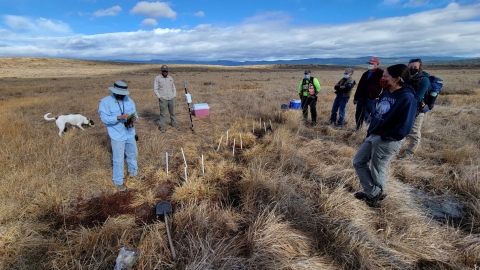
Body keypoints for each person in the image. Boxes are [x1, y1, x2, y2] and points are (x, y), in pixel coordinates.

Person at [352, 64, 418, 208]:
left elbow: (404, 127)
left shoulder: (407, 98)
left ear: (396, 79)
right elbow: (377, 115)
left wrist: (384, 136)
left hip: (387, 140)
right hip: (374, 135)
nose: (382, 78)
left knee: (377, 169)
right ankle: (374, 192)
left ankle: (375, 199)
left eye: (385, 76)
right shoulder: (386, 92)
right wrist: (369, 133)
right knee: (358, 161)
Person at [98, 80, 144, 193]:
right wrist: (118, 117)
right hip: (116, 134)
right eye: (120, 94)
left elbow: (136, 115)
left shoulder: (130, 101)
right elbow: (104, 118)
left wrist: (134, 118)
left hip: (130, 133)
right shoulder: (105, 102)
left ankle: (133, 172)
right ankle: (118, 182)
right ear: (115, 91)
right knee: (118, 159)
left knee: (132, 154)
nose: (123, 96)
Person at [398, 58, 431, 159]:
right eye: (410, 67)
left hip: (417, 109)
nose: (412, 68)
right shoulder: (407, 78)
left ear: (419, 68)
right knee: (401, 129)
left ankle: (408, 155)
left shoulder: (424, 80)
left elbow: (417, 97)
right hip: (404, 108)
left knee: (414, 132)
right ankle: (396, 150)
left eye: (415, 67)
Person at [353, 57, 384, 130]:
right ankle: (358, 128)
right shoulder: (365, 73)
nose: (370, 65)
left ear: (377, 64)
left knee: (369, 115)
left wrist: (380, 97)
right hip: (361, 97)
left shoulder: (381, 73)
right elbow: (359, 86)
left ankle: (372, 129)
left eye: (372, 63)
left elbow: (385, 87)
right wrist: (355, 97)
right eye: (369, 63)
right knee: (358, 114)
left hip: (371, 99)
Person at [154, 65, 177, 133]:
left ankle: (174, 125)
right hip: (163, 99)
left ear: (168, 71)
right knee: (163, 114)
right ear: (161, 71)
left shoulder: (170, 78)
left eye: (166, 71)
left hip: (171, 98)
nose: (165, 72)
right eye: (163, 71)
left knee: (172, 113)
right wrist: (159, 97)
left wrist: (174, 95)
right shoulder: (157, 78)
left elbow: (173, 87)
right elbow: (155, 89)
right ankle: (162, 128)